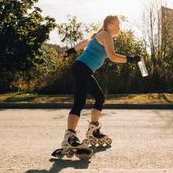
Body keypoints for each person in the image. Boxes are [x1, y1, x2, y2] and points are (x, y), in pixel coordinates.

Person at [60, 15, 142, 152]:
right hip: (82, 68)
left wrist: (68, 52)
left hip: (84, 69)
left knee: (100, 97)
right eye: (117, 24)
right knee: (79, 102)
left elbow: (82, 44)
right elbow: (113, 56)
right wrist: (132, 59)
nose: (119, 27)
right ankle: (69, 136)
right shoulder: (105, 35)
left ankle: (93, 129)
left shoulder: (97, 36)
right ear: (109, 24)